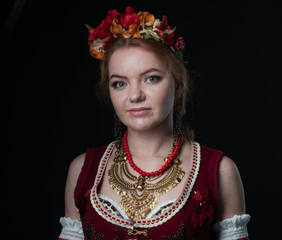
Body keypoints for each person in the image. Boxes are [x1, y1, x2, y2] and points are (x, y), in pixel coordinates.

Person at [58, 6, 251, 240]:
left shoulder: (219, 171)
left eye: (151, 78)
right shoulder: (82, 170)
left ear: (178, 85)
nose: (135, 95)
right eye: (120, 83)